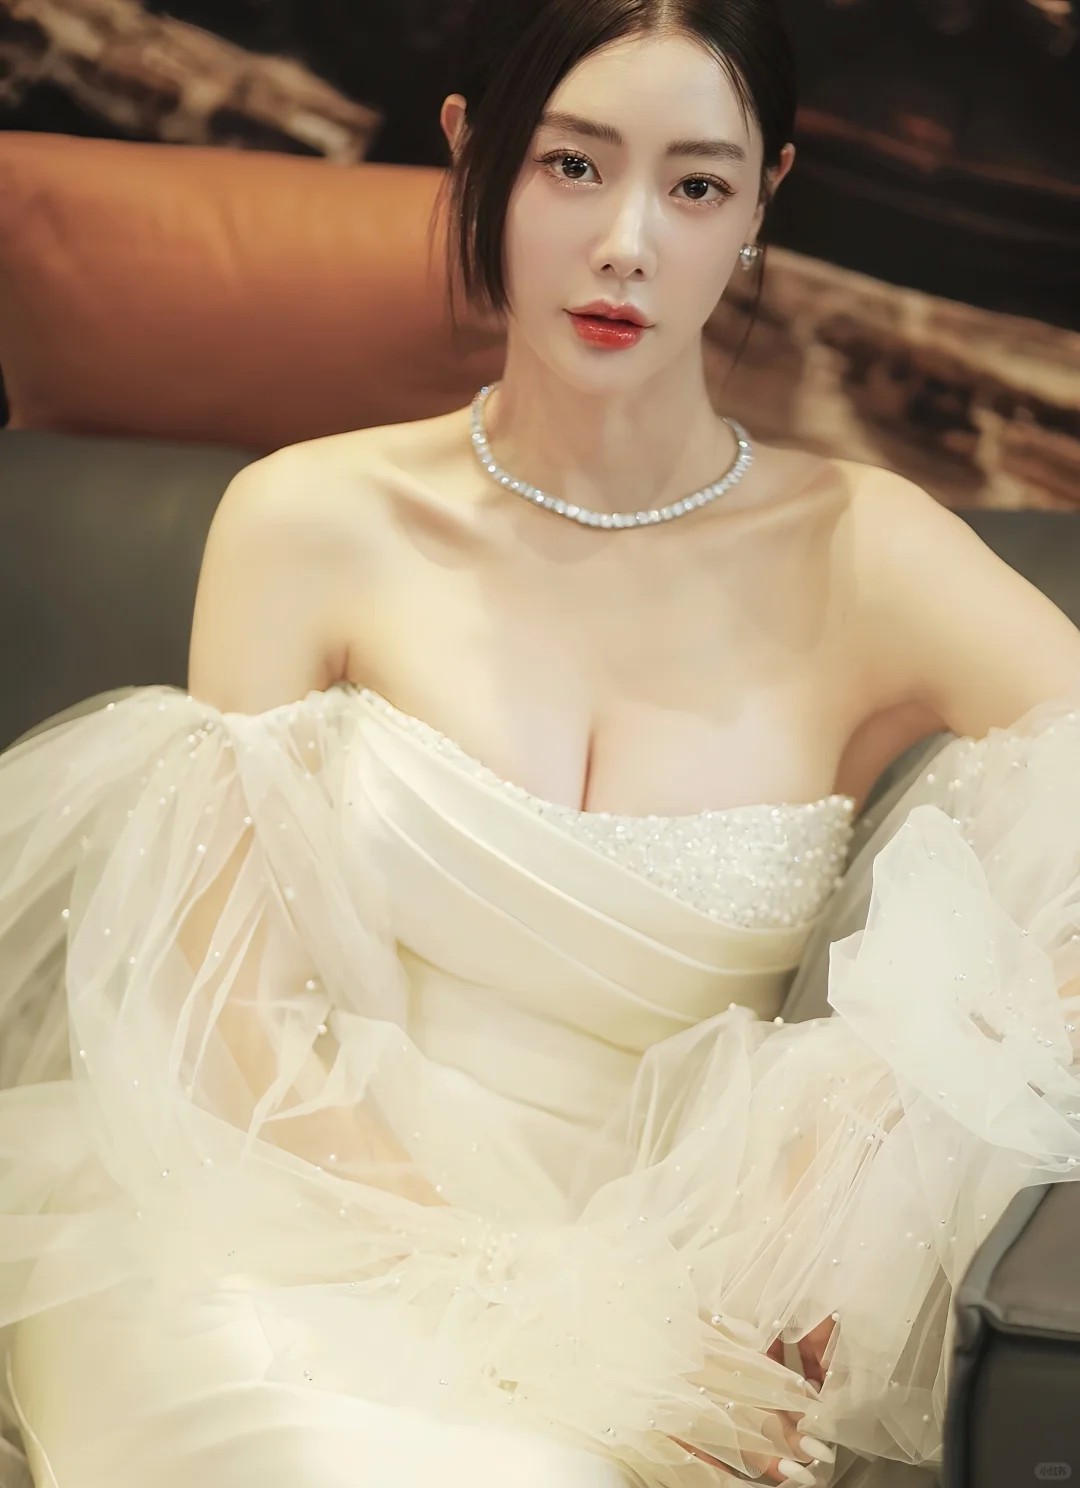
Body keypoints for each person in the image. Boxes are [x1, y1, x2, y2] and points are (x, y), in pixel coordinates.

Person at [1, 1, 1079, 1485]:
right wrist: (530, 1314)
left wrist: (887, 1104)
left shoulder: (869, 552)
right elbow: (228, 1027)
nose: (627, 244)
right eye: (574, 166)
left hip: (683, 1292)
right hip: (291, 1230)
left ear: (764, 199)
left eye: (696, 185)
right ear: (473, 155)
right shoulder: (304, 521)